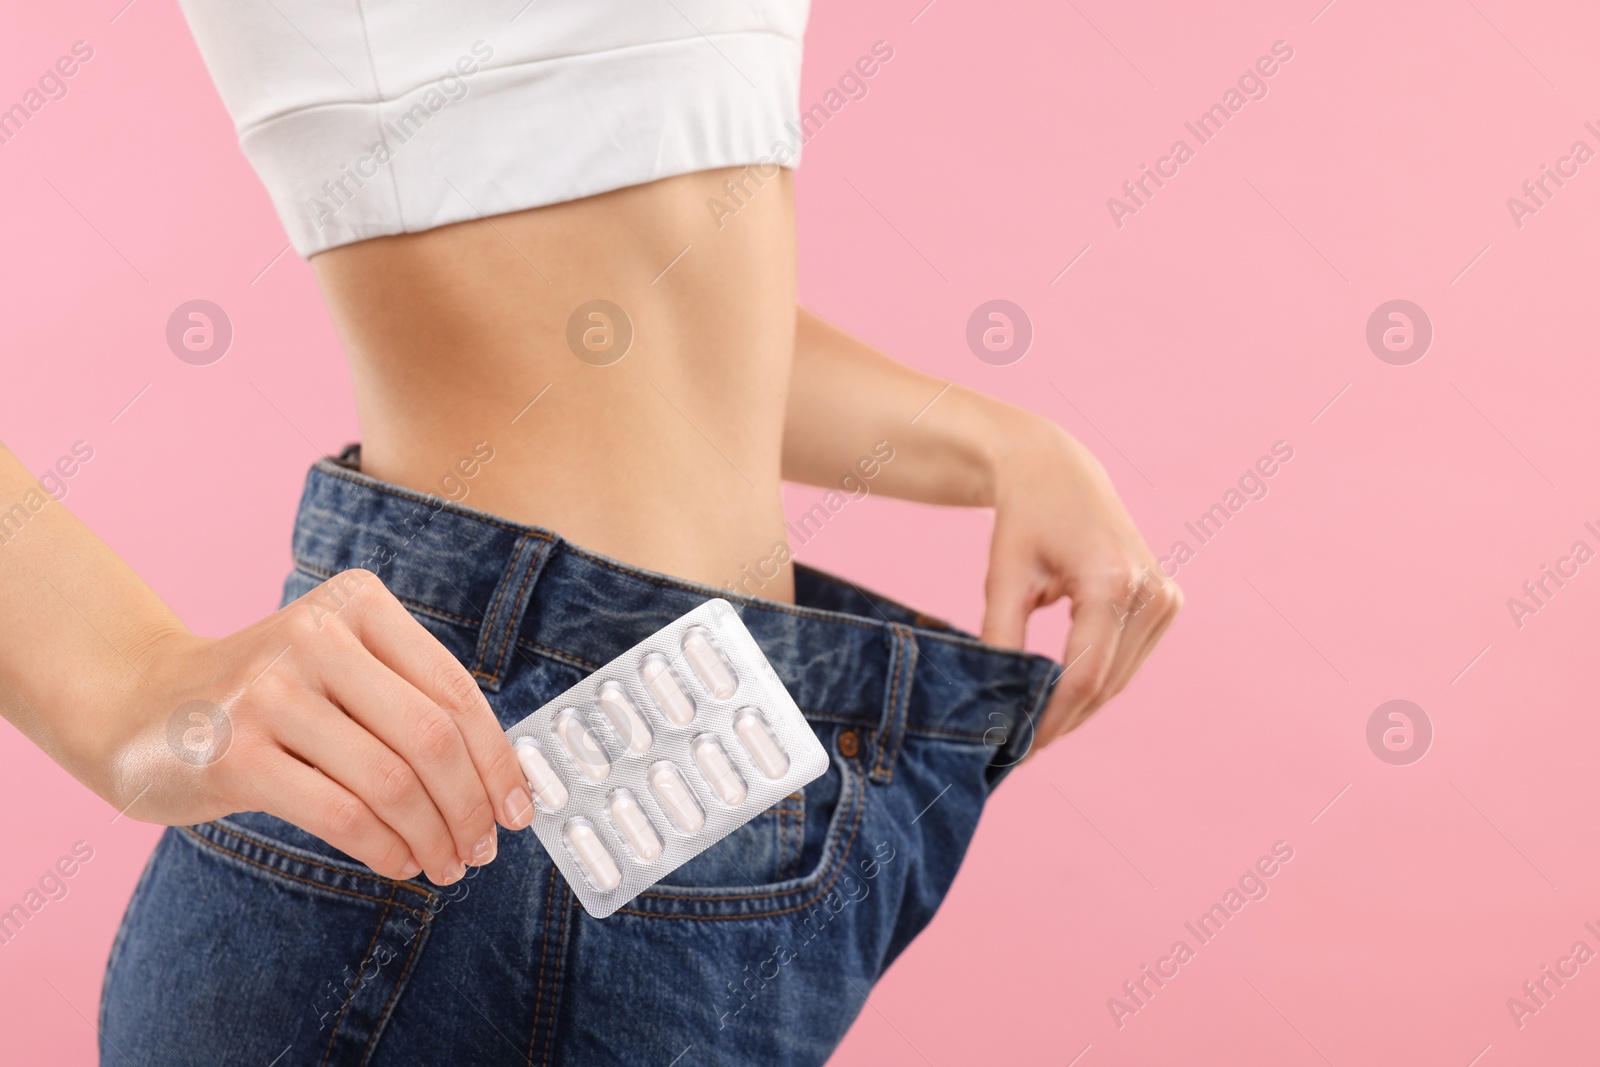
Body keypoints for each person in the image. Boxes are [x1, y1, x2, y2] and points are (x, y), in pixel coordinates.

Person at [0, 2, 1178, 1063]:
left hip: (720, 805)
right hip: (460, 813)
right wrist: (128, 688)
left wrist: (993, 442)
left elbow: (638, 299)